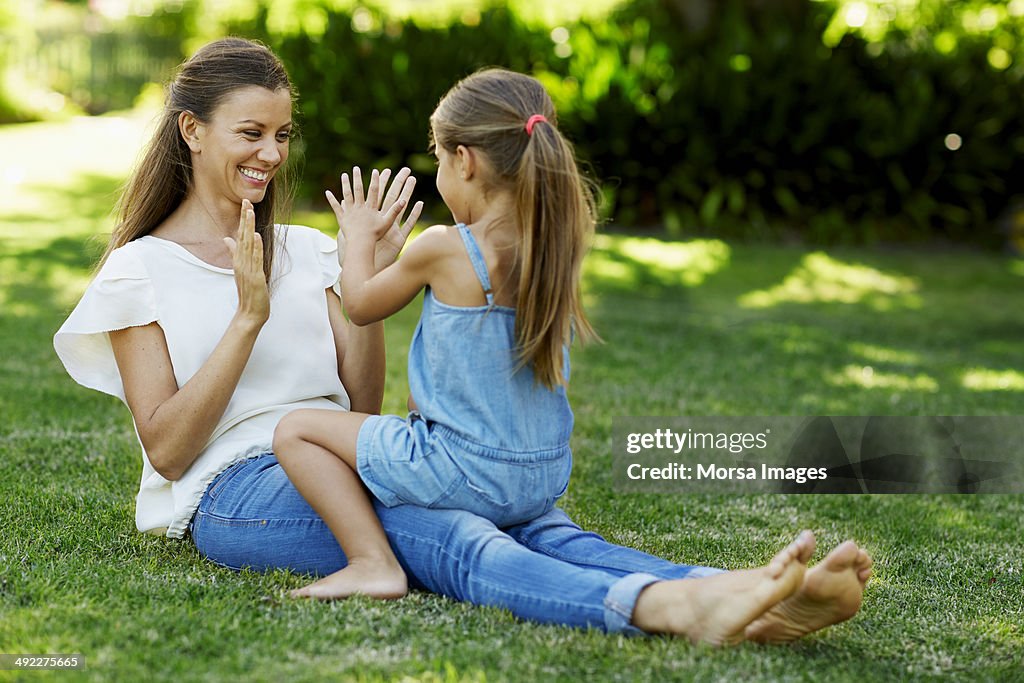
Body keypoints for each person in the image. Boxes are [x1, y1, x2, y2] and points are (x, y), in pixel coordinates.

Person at [53, 37, 873, 645]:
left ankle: (748, 592)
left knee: (544, 528)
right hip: (230, 489)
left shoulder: (303, 248)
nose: (272, 154)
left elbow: (360, 403)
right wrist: (247, 319)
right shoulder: (140, 270)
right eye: (251, 133)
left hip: (335, 456)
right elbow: (165, 450)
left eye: (283, 134)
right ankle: (670, 608)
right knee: (449, 534)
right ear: (193, 132)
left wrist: (348, 275)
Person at [272, 69, 603, 599]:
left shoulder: (445, 247)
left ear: (465, 161)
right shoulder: (553, 249)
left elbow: (358, 305)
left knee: (296, 429)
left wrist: (358, 238)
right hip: (540, 481)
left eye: (440, 160)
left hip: (463, 474)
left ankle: (370, 562)